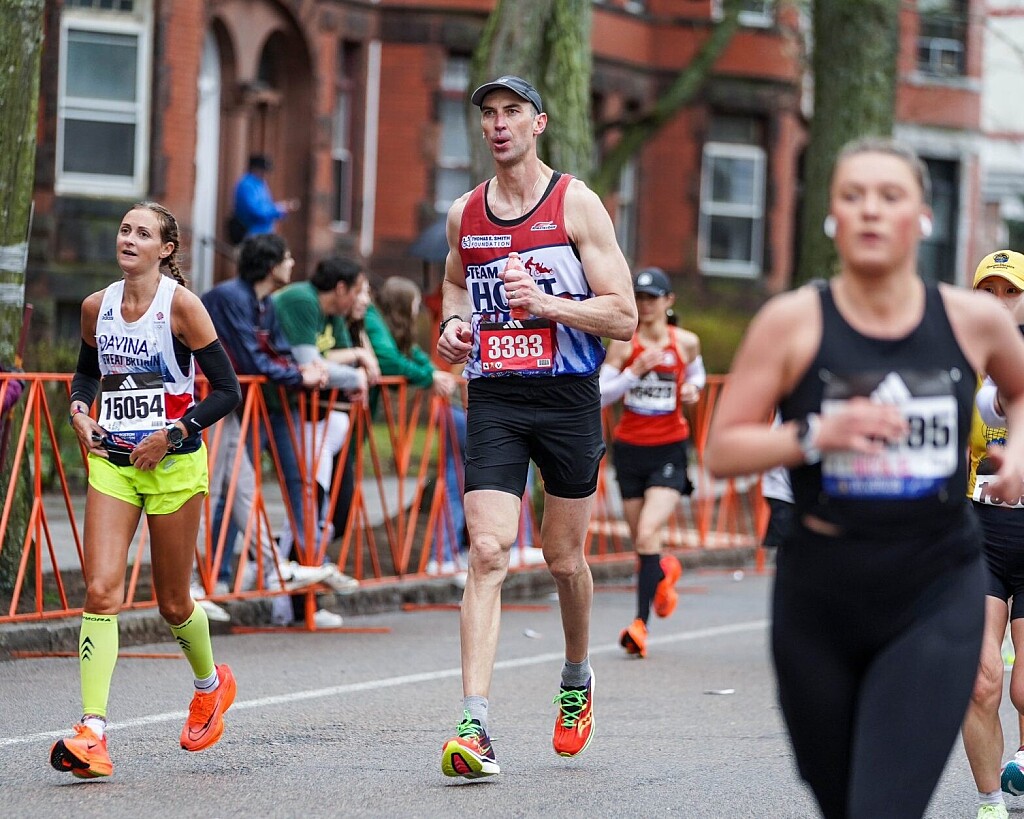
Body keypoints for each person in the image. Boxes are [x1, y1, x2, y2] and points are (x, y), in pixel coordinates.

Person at [704, 137, 1024, 819]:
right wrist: (815, 434)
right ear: (832, 215)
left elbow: (1020, 389)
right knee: (842, 796)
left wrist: (1018, 453)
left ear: (923, 217)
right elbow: (722, 449)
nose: (871, 210)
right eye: (853, 196)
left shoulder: (972, 320)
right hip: (822, 588)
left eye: (890, 196)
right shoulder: (792, 321)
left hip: (936, 583)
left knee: (884, 803)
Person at [435, 74, 636, 779]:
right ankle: (473, 724)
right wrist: (453, 325)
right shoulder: (465, 212)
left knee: (562, 558)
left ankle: (577, 676)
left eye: (512, 112)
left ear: (538, 123)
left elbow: (623, 315)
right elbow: (455, 282)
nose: (499, 124)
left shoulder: (575, 204)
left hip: (567, 397)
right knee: (488, 549)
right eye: (488, 114)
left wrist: (548, 304)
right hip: (495, 395)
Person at [50, 202, 243, 779]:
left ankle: (210, 686)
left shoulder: (181, 307)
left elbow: (226, 391)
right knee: (101, 590)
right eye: (124, 230)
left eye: (143, 233)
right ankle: (92, 731)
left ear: (166, 249)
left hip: (174, 466)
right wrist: (79, 411)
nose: (129, 239)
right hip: (114, 462)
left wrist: (172, 434)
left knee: (173, 603)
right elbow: (87, 373)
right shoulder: (96, 306)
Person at [198, 233, 337, 612]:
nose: (292, 264)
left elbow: (276, 349)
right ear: (271, 264)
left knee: (241, 489)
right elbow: (250, 359)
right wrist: (299, 376)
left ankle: (273, 570)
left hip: (227, 404)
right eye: (287, 257)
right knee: (210, 491)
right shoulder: (230, 297)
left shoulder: (264, 303)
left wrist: (304, 368)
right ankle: (197, 580)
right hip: (204, 400)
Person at [598, 266, 702, 658]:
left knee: (646, 533)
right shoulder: (624, 344)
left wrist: (693, 390)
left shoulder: (685, 342)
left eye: (652, 298)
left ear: (668, 301)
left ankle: (639, 625)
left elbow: (697, 376)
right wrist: (633, 374)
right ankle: (663, 572)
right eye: (639, 297)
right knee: (643, 543)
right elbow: (600, 393)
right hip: (630, 450)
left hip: (670, 450)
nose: (645, 305)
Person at [272, 255, 376, 623]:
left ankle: (300, 590)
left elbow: (337, 362)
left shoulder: (334, 315)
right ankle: (292, 603)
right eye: (359, 290)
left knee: (334, 513)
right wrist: (353, 374)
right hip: (296, 417)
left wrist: (356, 360)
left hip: (327, 425)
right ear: (341, 288)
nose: (363, 299)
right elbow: (310, 363)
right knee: (308, 509)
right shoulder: (303, 300)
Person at [961, 249, 1024, 819]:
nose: (1000, 303)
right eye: (989, 292)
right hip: (978, 533)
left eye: (1012, 292)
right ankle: (990, 804)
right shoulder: (959, 363)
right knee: (981, 681)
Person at [364, 275, 467, 573]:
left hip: (452, 401)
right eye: (415, 304)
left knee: (456, 479)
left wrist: (432, 374)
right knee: (459, 481)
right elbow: (391, 359)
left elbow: (414, 354)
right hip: (458, 406)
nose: (418, 309)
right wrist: (432, 376)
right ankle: (446, 554)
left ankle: (447, 553)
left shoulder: (400, 326)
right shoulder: (375, 321)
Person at [233, 154, 299, 237]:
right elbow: (257, 210)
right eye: (262, 170)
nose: (264, 174)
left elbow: (266, 205)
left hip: (264, 231)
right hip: (252, 231)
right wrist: (279, 209)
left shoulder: (260, 183)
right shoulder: (247, 185)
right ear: (254, 168)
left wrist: (281, 209)